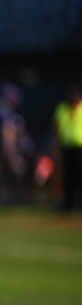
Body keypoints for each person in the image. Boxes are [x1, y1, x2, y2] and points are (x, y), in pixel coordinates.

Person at [53, 83, 82, 211]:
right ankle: (69, 203)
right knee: (68, 176)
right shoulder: (62, 109)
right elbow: (56, 127)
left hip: (80, 147)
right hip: (66, 147)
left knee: (79, 175)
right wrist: (57, 145)